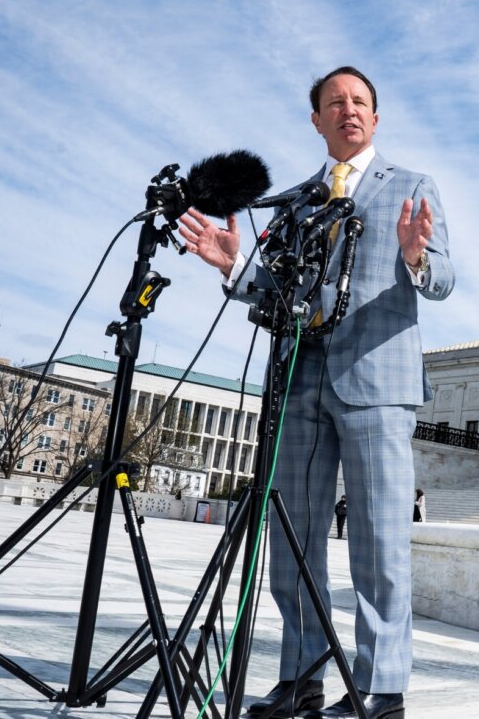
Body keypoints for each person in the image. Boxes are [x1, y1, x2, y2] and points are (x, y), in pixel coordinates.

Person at [179, 65, 453, 719]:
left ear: (375, 118)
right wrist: (235, 267)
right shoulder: (298, 199)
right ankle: (300, 679)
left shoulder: (413, 188)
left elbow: (441, 281)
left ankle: (380, 690)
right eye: (336, 102)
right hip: (297, 380)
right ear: (318, 119)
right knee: (292, 540)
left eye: (360, 101)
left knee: (379, 543)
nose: (348, 110)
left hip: (377, 384)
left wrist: (416, 255)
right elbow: (273, 289)